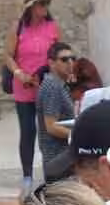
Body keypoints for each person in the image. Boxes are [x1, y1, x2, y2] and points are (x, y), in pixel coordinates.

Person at [6, 0, 62, 191]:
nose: (46, 7)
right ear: (31, 7)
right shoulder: (18, 28)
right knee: (28, 132)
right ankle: (27, 176)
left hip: (47, 87)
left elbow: (59, 54)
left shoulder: (52, 27)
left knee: (50, 132)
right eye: (42, 3)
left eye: (47, 3)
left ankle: (53, 174)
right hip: (24, 88)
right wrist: (19, 73)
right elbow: (8, 56)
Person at [34, 41, 80, 180]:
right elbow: (51, 127)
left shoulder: (59, 84)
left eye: (73, 59)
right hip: (57, 159)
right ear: (51, 63)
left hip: (63, 158)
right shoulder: (52, 86)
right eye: (64, 60)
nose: (70, 63)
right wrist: (79, 136)